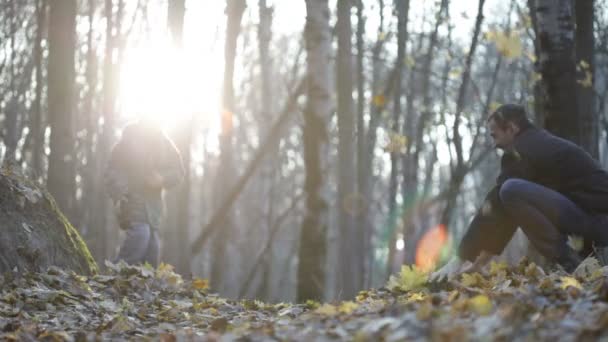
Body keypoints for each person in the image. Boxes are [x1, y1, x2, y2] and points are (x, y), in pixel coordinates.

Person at [431, 104, 608, 281]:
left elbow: (495, 202)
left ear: (512, 128)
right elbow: (505, 210)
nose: (495, 144)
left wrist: (460, 258)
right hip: (592, 220)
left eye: (495, 135)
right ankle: (575, 262)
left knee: (510, 189)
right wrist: (479, 263)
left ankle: (570, 263)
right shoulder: (535, 143)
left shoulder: (522, 149)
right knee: (510, 192)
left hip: (597, 220)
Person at [105, 119, 184, 267]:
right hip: (131, 199)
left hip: (154, 206)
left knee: (152, 252)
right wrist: (120, 190)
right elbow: (113, 168)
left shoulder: (165, 142)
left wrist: (162, 179)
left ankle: (140, 287)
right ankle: (114, 276)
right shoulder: (130, 137)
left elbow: (178, 171)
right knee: (141, 234)